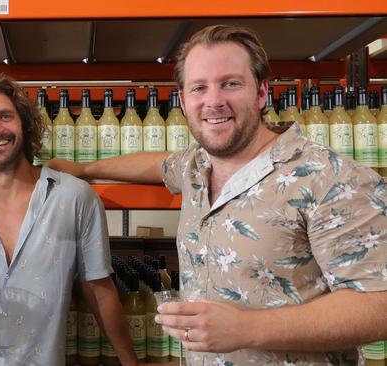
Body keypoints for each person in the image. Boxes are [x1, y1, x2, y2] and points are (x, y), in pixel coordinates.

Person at [49, 25, 387, 365]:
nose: (213, 101)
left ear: (261, 92)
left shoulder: (331, 177)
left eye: (231, 83)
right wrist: (85, 170)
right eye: (199, 88)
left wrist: (246, 329)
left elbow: (379, 305)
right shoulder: (197, 166)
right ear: (183, 100)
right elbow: (156, 165)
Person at [0, 71, 151, 366]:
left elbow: (98, 289)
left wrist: (131, 362)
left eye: (5, 116)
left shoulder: (74, 198)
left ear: (25, 124)